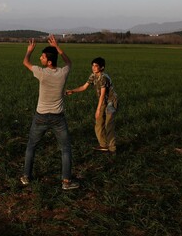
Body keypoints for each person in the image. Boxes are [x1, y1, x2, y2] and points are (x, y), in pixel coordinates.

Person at [21, 35, 79, 191]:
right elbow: (69, 62)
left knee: (31, 147)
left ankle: (26, 176)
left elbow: (25, 62)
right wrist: (58, 47)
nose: (40, 58)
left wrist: (29, 51)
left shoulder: (41, 72)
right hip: (58, 118)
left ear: (49, 62)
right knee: (65, 149)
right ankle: (66, 182)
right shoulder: (63, 73)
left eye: (43, 57)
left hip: (40, 117)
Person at [66, 57, 118, 154]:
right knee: (98, 124)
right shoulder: (93, 76)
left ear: (102, 67)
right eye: (92, 65)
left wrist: (98, 109)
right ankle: (103, 145)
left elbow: (103, 95)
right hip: (102, 102)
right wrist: (72, 91)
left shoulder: (104, 78)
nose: (93, 67)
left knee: (108, 124)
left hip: (111, 102)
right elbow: (84, 87)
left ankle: (112, 149)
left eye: (96, 66)